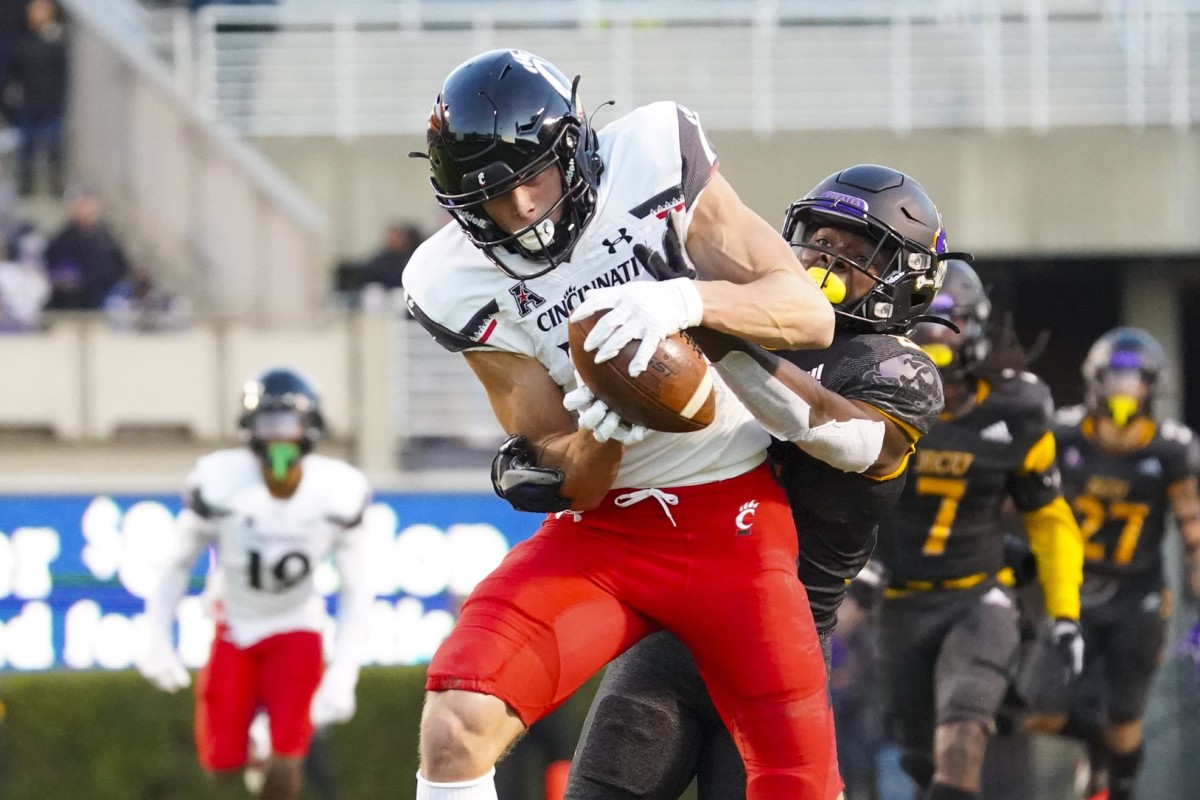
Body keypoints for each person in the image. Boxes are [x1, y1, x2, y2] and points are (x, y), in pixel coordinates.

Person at [402, 48, 842, 800]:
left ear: (573, 148)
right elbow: (570, 477)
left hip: (733, 516)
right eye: (492, 204)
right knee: (456, 725)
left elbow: (808, 314)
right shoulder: (451, 281)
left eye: (529, 183)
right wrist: (606, 423)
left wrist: (686, 301)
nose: (521, 216)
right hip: (608, 533)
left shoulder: (651, 157)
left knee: (799, 783)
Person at [548, 163, 951, 800]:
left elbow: (829, 429)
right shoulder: (737, 316)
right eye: (820, 241)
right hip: (675, 631)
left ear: (910, 274)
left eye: (856, 250)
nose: (828, 258)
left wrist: (705, 319)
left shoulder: (901, 369)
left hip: (779, 652)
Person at [870, 260, 1086, 800]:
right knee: (922, 763)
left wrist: (1064, 613)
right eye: (924, 320)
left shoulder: (1018, 408)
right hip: (899, 600)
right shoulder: (870, 388)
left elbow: (1048, 515)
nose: (936, 335)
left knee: (963, 738)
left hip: (977, 597)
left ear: (979, 328)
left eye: (950, 320)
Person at [136, 368, 373, 800]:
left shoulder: (337, 490)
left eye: (289, 424)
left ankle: (274, 743)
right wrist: (155, 636)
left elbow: (357, 588)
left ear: (310, 428)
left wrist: (345, 671)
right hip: (236, 622)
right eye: (268, 424)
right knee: (221, 761)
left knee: (288, 758)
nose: (279, 438)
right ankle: (257, 743)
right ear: (250, 429)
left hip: (296, 623)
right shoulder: (220, 481)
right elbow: (177, 563)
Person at [1028, 327, 1200, 800]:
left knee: (1126, 723)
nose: (1125, 390)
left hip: (1138, 596)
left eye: (1135, 379)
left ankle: (1117, 783)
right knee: (1037, 709)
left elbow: (1193, 528)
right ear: (1095, 381)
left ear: (1152, 385)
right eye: (1116, 378)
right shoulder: (1062, 432)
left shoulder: (1170, 447)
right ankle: (1096, 744)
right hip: (1074, 589)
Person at [8, 0, 67, 197]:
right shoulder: (23, 43)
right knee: (27, 147)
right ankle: (26, 186)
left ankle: (55, 187)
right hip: (29, 104)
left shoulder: (56, 42)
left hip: (51, 103)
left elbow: (63, 74)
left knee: (54, 146)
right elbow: (15, 74)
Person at [44, 188, 130, 310]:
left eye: (88, 206)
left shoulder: (106, 236)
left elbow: (120, 264)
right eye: (81, 206)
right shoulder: (64, 237)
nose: (85, 210)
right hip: (73, 295)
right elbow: (53, 262)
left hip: (103, 290)